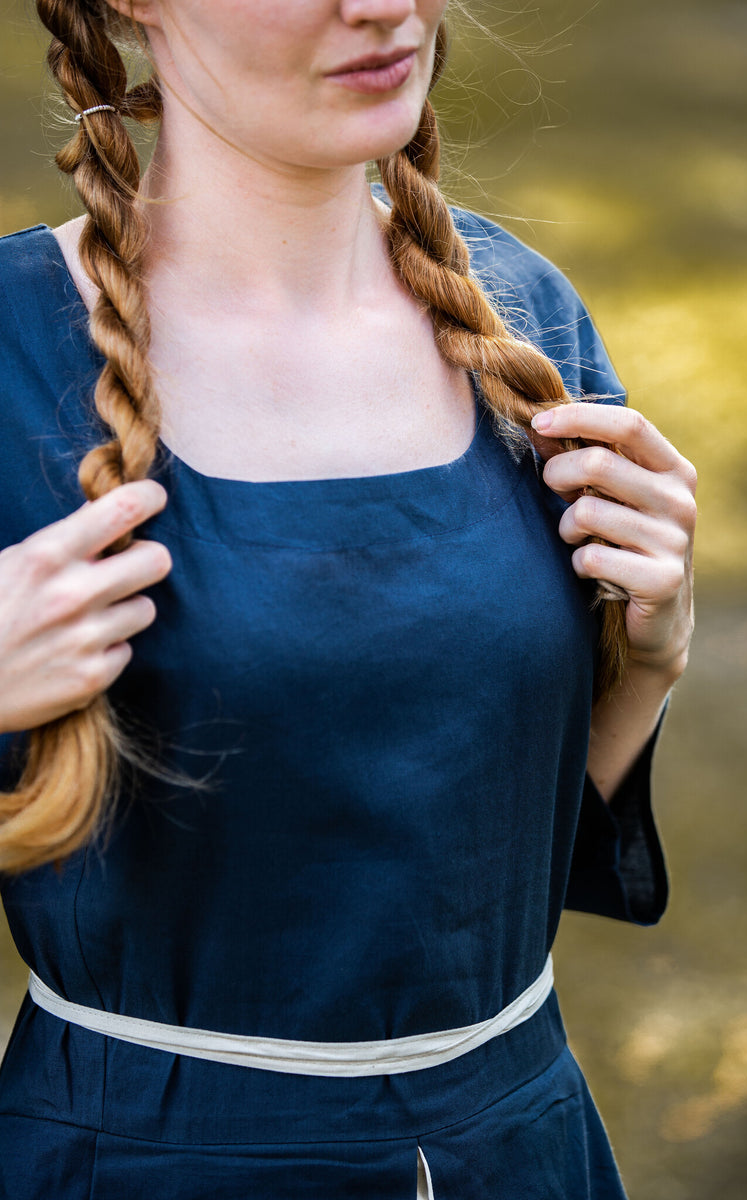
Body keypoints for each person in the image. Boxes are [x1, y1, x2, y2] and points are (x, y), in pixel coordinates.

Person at [0, 0, 696, 1196]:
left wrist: (645, 659)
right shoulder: (12, 348)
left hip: (520, 1150)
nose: (381, 5)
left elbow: (500, 840)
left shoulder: (517, 314)